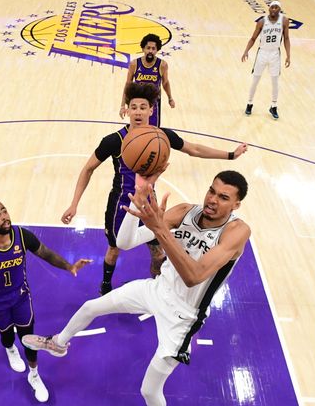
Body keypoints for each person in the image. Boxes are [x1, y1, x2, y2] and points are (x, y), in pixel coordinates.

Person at [25, 168, 252, 406]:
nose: (212, 200)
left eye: (223, 197)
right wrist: (139, 207)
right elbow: (125, 241)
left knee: (148, 389)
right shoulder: (185, 211)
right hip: (157, 290)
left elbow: (194, 276)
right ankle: (59, 343)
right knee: (92, 307)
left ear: (236, 204)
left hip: (184, 317)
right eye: (212, 191)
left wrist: (159, 229)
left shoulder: (237, 231)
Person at [62, 81, 248, 296]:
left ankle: (160, 284)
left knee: (158, 248)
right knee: (114, 247)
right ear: (126, 110)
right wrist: (74, 204)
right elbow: (88, 169)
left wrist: (231, 155)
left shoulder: (162, 136)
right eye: (133, 107)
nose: (138, 112)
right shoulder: (114, 141)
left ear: (152, 110)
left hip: (149, 203)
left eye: (143, 107)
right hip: (121, 204)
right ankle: (105, 284)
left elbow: (194, 149)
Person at [0, 191, 92, 403]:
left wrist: (69, 266)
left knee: (29, 339)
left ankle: (34, 375)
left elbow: (45, 252)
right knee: (7, 335)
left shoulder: (21, 236)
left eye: (4, 211)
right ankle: (10, 349)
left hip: (21, 298)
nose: (4, 216)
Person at [241, 0, 291, 119]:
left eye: (276, 7)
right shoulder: (262, 22)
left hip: (275, 54)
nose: (273, 9)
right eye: (272, 7)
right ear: (269, 9)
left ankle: (273, 106)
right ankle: (249, 103)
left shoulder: (284, 21)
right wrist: (246, 50)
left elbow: (286, 38)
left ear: (279, 9)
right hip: (262, 53)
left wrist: (288, 55)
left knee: (275, 81)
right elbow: (253, 38)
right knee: (255, 80)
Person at [119, 33, 174, 127]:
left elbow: (165, 83)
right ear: (143, 49)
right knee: (136, 129)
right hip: (137, 103)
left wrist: (170, 98)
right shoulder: (134, 64)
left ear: (157, 50)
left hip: (153, 103)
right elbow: (128, 85)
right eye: (148, 48)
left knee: (152, 130)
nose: (150, 51)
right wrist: (123, 106)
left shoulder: (162, 65)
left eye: (153, 49)